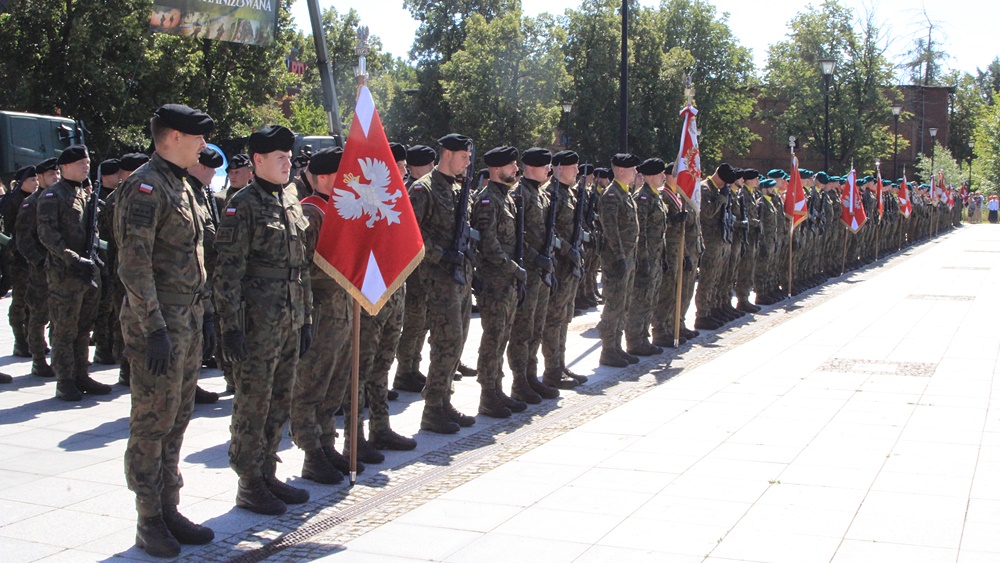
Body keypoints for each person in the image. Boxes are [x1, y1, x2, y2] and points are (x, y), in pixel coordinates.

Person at [116, 104, 217, 557]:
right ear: (174, 136)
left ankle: (168, 505)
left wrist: (205, 315)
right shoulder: (145, 187)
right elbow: (134, 266)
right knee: (152, 421)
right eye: (197, 137)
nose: (203, 145)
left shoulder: (182, 185)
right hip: (158, 325)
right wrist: (154, 328)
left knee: (177, 417)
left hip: (187, 321)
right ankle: (148, 518)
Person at [215, 125, 313, 515]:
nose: (288, 163)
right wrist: (230, 327)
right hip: (257, 323)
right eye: (279, 158)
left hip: (289, 317)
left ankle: (267, 470)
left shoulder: (290, 199)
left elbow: (301, 266)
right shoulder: (243, 205)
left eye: (289, 157)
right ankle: (249, 481)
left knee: (280, 399)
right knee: (253, 403)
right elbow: (227, 272)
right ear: (257, 160)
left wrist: (305, 319)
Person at [290, 146, 364, 485]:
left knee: (335, 384)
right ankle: (311, 452)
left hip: (343, 311)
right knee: (311, 385)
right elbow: (303, 269)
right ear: (324, 178)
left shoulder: (340, 210)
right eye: (344, 175)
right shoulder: (311, 212)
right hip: (321, 313)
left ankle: (326, 442)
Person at [408, 134, 477, 434]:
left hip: (460, 277)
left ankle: (444, 399)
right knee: (446, 342)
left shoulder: (458, 188)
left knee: (457, 341)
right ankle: (433, 408)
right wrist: (441, 255)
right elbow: (411, 236)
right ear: (447, 154)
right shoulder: (423, 189)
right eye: (463, 157)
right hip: (437, 278)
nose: (467, 163)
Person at [37, 145, 113, 401]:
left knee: (83, 328)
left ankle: (81, 374)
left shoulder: (84, 194)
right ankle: (65, 380)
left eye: (87, 163)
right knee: (64, 329)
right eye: (81, 163)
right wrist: (73, 258)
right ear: (65, 167)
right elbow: (48, 235)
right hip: (65, 274)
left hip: (87, 271)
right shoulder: (52, 196)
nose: (86, 167)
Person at [472, 146, 527, 418]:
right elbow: (488, 244)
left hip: (508, 282)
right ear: (496, 169)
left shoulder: (507, 198)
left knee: (503, 336)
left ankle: (497, 389)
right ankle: (487, 395)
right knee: (492, 339)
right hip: (494, 281)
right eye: (511, 165)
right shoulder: (488, 200)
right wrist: (513, 269)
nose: (516, 169)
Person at [506, 148, 560, 403]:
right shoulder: (519, 194)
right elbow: (517, 236)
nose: (549, 170)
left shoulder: (541, 194)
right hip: (526, 272)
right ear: (530, 167)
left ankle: (531, 376)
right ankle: (519, 382)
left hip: (541, 272)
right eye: (545, 165)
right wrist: (535, 257)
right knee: (522, 330)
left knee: (537, 327)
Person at [541, 150, 589, 386]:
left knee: (564, 317)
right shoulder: (550, 193)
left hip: (570, 265)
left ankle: (560, 364)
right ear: (559, 168)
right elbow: (549, 231)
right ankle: (552, 371)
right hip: (558, 265)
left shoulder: (568, 193)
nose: (577, 172)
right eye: (573, 167)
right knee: (553, 318)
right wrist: (568, 249)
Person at [393, 144, 438, 392]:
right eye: (428, 164)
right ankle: (404, 371)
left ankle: (413, 367)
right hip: (413, 270)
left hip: (425, 269)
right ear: (416, 167)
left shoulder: (421, 188)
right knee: (413, 321)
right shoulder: (415, 190)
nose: (432, 167)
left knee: (423, 321)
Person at [15, 157, 58, 378]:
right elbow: (23, 240)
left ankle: (61, 360)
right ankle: (38, 360)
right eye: (51, 174)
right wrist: (39, 261)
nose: (56, 177)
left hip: (61, 270)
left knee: (60, 316)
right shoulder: (30, 204)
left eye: (57, 173)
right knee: (39, 316)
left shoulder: (60, 198)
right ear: (39, 177)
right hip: (40, 271)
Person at [597, 153, 641, 367]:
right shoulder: (611, 195)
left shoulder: (625, 193)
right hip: (616, 260)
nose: (636, 172)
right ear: (621, 170)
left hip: (628, 257)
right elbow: (610, 230)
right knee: (614, 305)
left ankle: (617, 346)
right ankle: (608, 350)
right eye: (633, 169)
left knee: (624, 304)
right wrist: (620, 257)